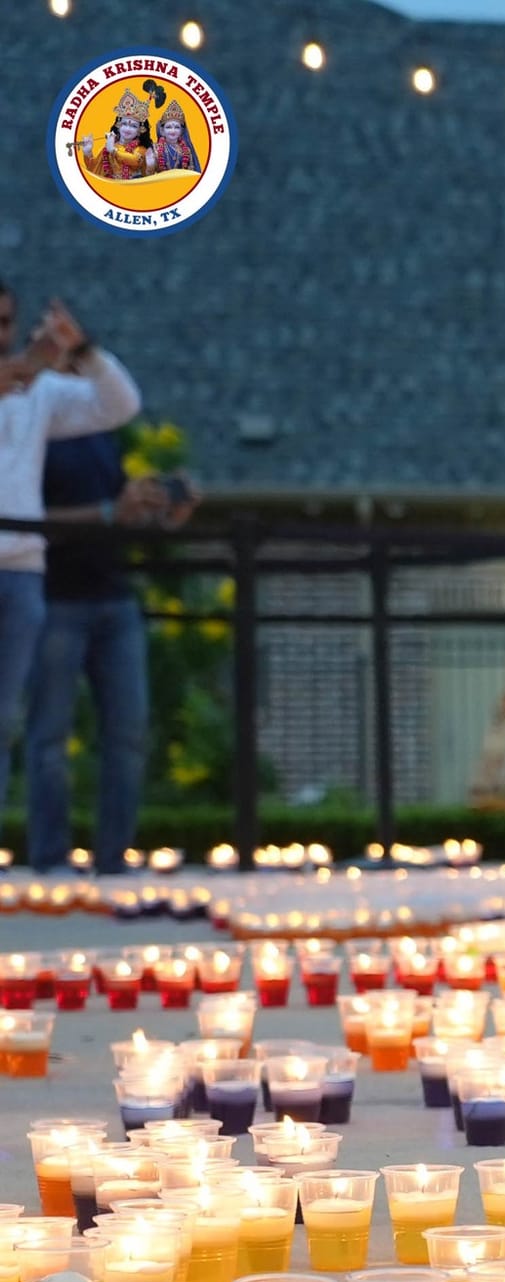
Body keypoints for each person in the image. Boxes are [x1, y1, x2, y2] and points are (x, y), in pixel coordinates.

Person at [28, 385, 199, 873]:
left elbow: (121, 518)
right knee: (50, 738)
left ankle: (113, 858)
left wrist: (162, 513)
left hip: (115, 599)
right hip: (58, 598)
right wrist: (106, 513)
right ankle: (49, 858)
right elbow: (27, 518)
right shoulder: (34, 433)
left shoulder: (105, 437)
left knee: (128, 735)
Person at [0, 288, 142, 836]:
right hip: (37, 577)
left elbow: (119, 405)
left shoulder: (37, 393)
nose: (2, 331)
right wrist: (27, 365)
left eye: (7, 321)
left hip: (22, 571)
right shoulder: (24, 379)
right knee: (41, 733)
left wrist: (84, 352)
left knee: (5, 720)